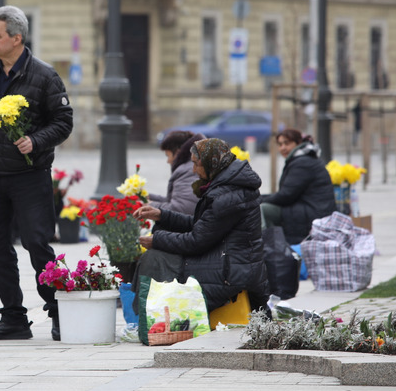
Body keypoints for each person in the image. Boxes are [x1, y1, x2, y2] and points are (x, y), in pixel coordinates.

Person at [0, 5, 74, 341]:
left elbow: (63, 122)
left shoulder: (44, 76)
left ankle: (58, 312)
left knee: (38, 244)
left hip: (30, 177)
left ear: (16, 38)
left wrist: (35, 141)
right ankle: (13, 318)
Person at [132, 138, 270, 315]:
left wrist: (156, 241)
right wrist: (162, 215)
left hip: (231, 272)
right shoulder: (227, 185)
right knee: (159, 242)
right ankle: (149, 316)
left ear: (211, 163)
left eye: (197, 164)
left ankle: (149, 318)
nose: (194, 170)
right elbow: (202, 225)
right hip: (228, 261)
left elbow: (196, 241)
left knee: (155, 258)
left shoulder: (227, 194)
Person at [260, 129, 336, 245]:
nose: (283, 148)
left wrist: (258, 199)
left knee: (263, 209)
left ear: (298, 143)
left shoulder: (302, 162)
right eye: (280, 144)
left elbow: (286, 196)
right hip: (308, 208)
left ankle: (271, 246)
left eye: (287, 143)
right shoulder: (302, 159)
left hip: (314, 212)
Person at [146, 130, 206, 216]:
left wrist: (149, 205)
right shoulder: (191, 165)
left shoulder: (189, 170)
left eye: (168, 155)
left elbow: (181, 209)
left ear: (178, 152)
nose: (168, 161)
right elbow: (177, 200)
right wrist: (149, 197)